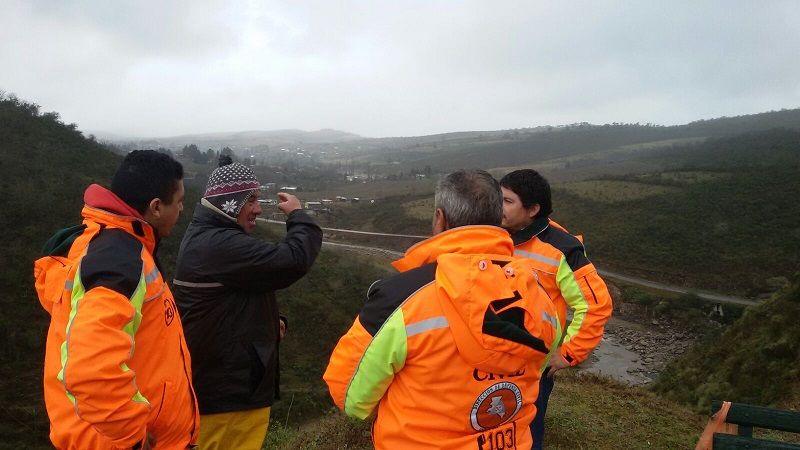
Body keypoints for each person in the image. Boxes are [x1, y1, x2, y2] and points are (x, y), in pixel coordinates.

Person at [324, 169, 561, 449]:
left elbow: (350, 396)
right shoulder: (539, 295)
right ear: (498, 219)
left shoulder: (401, 297)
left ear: (440, 219)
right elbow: (536, 366)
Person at [34, 150, 198, 449]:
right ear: (156, 207)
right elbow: (90, 371)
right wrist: (133, 438)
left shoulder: (109, 241)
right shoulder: (119, 260)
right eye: (179, 201)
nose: (183, 209)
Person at [173, 161, 322, 450]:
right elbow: (293, 259)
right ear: (228, 203)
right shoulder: (219, 244)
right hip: (224, 399)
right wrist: (299, 216)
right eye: (250, 199)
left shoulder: (209, 237)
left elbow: (233, 297)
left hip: (227, 393)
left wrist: (268, 323)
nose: (258, 208)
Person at [499, 169, 613, 450]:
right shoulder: (494, 235)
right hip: (490, 359)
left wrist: (569, 353)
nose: (497, 206)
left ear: (533, 209)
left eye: (507, 201)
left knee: (527, 434)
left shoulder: (561, 249)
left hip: (534, 367)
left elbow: (595, 304)